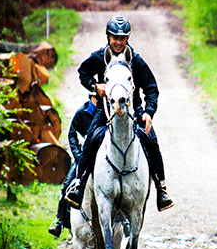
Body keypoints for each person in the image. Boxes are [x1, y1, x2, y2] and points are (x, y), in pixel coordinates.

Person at [64, 15, 174, 212]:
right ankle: (79, 184)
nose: (118, 41)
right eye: (114, 37)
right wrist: (95, 86)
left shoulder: (137, 61)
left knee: (152, 140)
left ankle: (161, 188)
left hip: (135, 110)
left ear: (127, 39)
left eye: (122, 38)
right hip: (105, 110)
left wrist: (149, 112)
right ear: (108, 37)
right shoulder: (99, 57)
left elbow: (151, 88)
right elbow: (83, 72)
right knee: (91, 139)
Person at [48, 92, 99, 237]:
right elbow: (72, 135)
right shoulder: (81, 114)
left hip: (103, 159)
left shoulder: (106, 112)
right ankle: (59, 220)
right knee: (67, 186)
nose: (100, 100)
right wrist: (78, 156)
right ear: (90, 97)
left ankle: (124, 220)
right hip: (83, 158)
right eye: (97, 98)